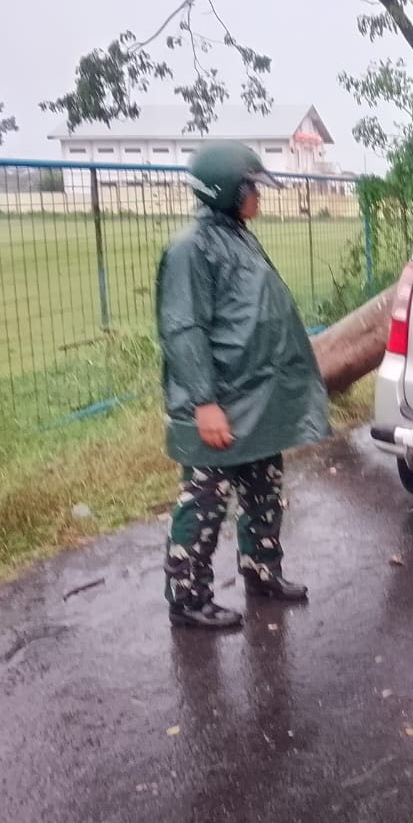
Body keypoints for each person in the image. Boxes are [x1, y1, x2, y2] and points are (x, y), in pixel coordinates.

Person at [156, 141, 331, 629]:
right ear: (225, 190)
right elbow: (183, 328)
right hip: (220, 401)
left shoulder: (238, 234)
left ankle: (261, 569)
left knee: (264, 492)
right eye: (251, 187)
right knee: (205, 500)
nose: (259, 196)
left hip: (257, 397)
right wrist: (204, 402)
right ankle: (187, 597)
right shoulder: (191, 248)